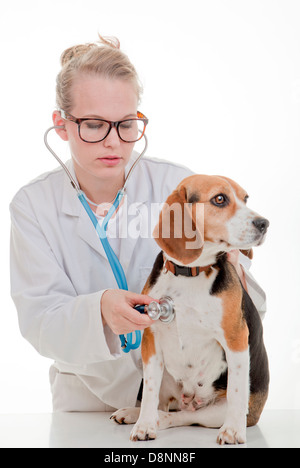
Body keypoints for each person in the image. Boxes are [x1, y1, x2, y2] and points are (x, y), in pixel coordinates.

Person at [10, 36, 266, 412]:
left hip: (191, 397)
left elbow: (250, 306)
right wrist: (100, 310)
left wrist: (231, 274)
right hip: (89, 402)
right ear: (61, 125)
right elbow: (38, 323)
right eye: (94, 125)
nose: (114, 142)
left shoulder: (178, 187)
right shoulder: (33, 205)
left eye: (126, 124)